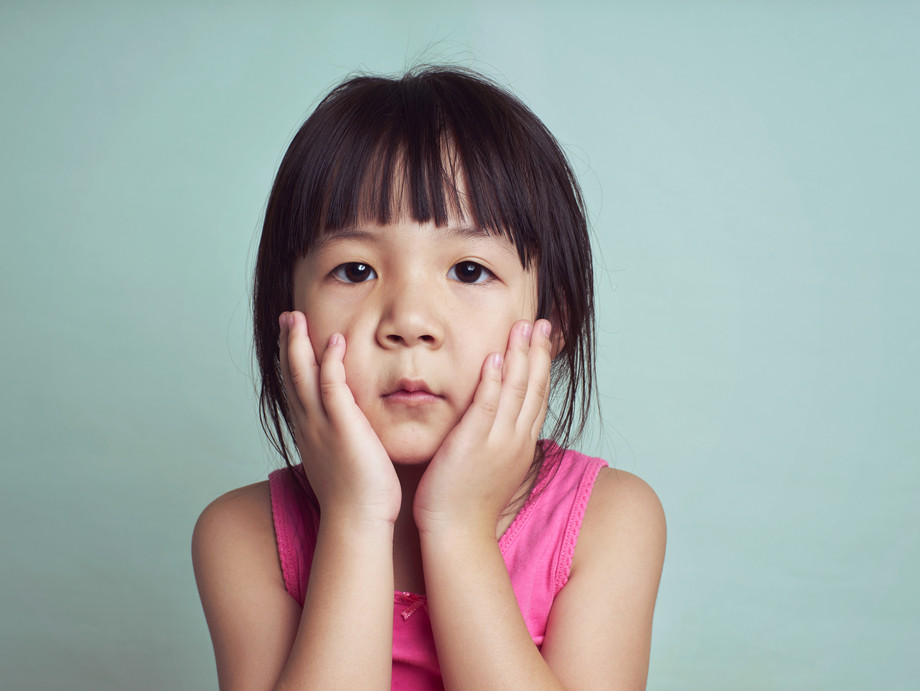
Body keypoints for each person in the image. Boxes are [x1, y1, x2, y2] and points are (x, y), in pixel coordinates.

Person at [192, 66, 666, 690]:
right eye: (355, 270)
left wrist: (458, 525)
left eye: (469, 271)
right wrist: (355, 517)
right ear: (289, 316)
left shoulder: (607, 522)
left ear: (554, 321)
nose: (410, 322)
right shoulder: (245, 536)